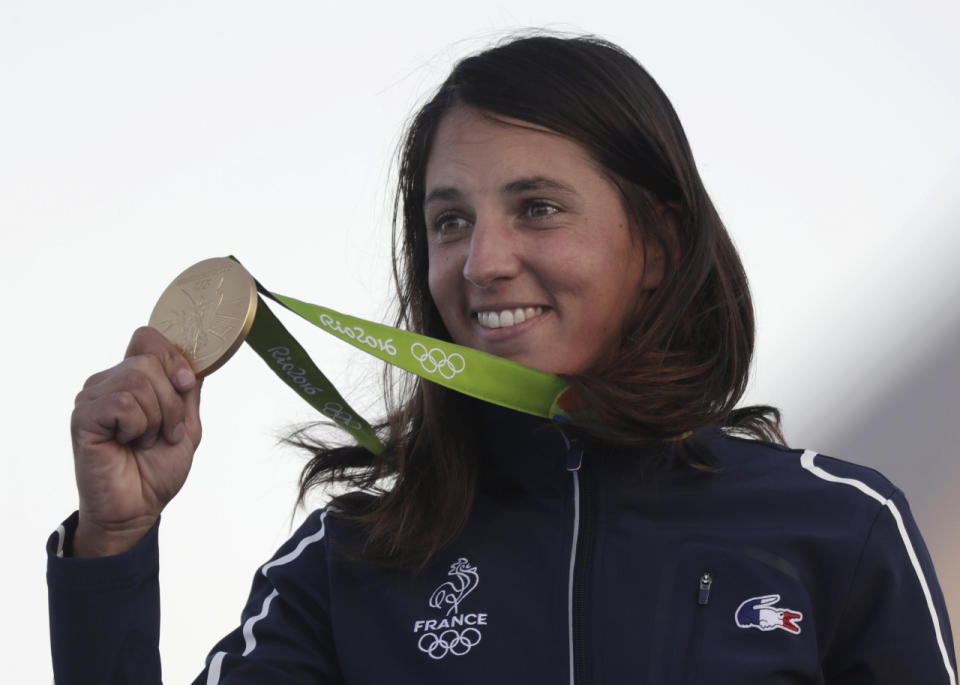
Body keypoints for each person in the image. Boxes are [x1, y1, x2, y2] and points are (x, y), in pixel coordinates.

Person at [48, 34, 957, 684]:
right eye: (451, 222)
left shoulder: (839, 529)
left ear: (662, 246)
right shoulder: (350, 564)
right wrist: (114, 544)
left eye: (538, 208)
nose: (482, 262)